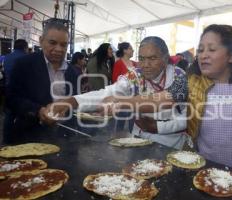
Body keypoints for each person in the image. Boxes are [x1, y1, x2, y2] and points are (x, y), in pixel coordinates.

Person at [105, 25, 232, 172]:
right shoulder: (193, 79)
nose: (203, 56)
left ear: (231, 55)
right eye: (200, 50)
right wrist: (119, 102)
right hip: (204, 167)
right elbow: (159, 100)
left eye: (211, 50)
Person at [43, 36, 188, 149]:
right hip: (139, 139)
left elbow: (187, 116)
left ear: (165, 58)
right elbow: (109, 92)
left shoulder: (179, 76)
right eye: (142, 59)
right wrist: (72, 101)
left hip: (170, 144)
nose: (145, 65)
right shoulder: (135, 75)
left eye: (152, 58)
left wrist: (158, 127)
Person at [4, 19, 79, 143]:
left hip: (64, 137)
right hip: (28, 136)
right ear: (41, 41)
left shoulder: (72, 72)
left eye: (63, 44)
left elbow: (75, 99)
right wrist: (39, 111)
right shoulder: (24, 65)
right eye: (52, 42)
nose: (59, 49)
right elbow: (11, 99)